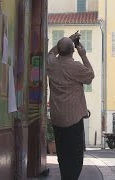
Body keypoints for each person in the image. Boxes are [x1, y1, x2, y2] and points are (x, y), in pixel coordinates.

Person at [46, 32, 94, 180]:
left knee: (63, 152)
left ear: (59, 51)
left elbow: (51, 52)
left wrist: (67, 41)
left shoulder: (51, 64)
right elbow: (90, 76)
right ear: (73, 50)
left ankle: (65, 177)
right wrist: (83, 55)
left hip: (57, 117)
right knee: (76, 154)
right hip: (73, 118)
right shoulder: (76, 67)